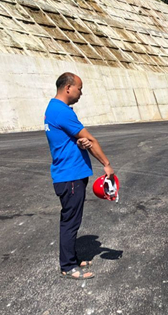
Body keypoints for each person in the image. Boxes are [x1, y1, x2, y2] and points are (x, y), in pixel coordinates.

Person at [44, 72, 114, 279]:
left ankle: (71, 259)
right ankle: (67, 266)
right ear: (68, 88)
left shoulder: (53, 108)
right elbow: (90, 139)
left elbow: (66, 139)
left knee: (72, 219)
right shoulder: (62, 111)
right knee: (70, 222)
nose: (80, 93)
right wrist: (106, 164)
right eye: (79, 88)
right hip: (70, 175)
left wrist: (77, 142)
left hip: (68, 173)